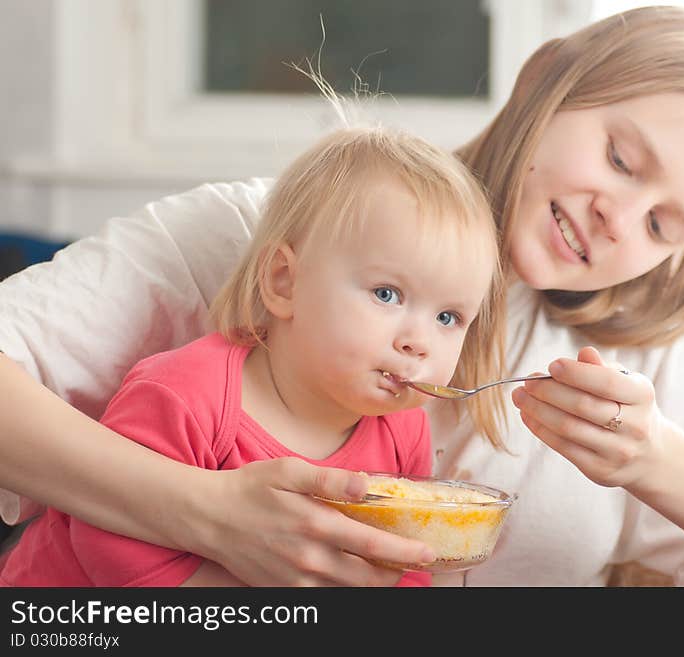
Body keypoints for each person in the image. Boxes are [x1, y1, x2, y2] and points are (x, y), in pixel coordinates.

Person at [0, 6, 684, 587]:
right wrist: (206, 515)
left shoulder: (655, 354)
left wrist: (659, 463)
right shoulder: (270, 235)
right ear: (540, 84)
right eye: (619, 158)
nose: (619, 220)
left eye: (661, 227)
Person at [0, 125, 503, 586]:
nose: (420, 342)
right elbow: (106, 541)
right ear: (284, 281)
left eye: (448, 318)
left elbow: (409, 559)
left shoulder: (403, 431)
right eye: (387, 294)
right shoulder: (186, 393)